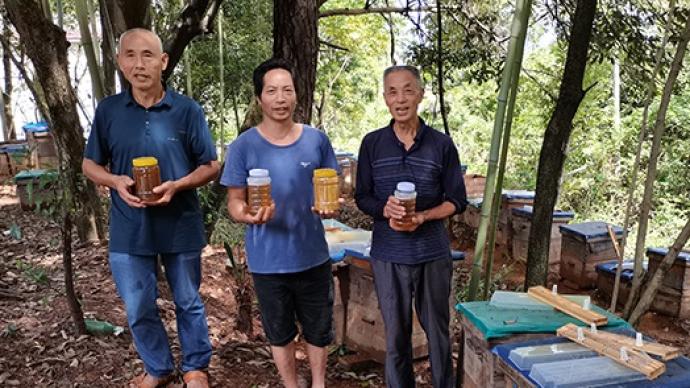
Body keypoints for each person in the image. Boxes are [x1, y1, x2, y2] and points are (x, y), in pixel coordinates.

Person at [82, 28, 217, 388]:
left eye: (147, 55)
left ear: (163, 62)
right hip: (129, 225)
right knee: (138, 306)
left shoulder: (187, 110)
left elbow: (210, 165)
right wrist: (114, 182)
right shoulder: (109, 110)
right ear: (119, 62)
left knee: (188, 300)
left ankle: (195, 367)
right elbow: (90, 164)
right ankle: (157, 367)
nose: (138, 64)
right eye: (130, 55)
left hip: (180, 222)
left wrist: (179, 184)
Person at [220, 58, 339, 388]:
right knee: (279, 330)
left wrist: (330, 207)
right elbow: (234, 201)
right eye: (272, 90)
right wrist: (245, 214)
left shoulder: (316, 140)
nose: (281, 97)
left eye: (287, 89)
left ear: (296, 94)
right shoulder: (243, 146)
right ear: (260, 98)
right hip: (267, 261)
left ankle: (318, 383)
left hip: (312, 254)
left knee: (318, 327)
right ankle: (290, 384)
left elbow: (329, 188)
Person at [354, 65, 467, 388]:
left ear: (420, 94)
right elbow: (362, 196)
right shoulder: (372, 144)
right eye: (392, 91)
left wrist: (423, 216)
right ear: (385, 98)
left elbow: (456, 200)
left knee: (438, 333)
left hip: (432, 252)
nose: (400, 98)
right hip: (388, 254)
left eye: (407, 90)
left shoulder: (441, 145)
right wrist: (383, 208)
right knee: (396, 337)